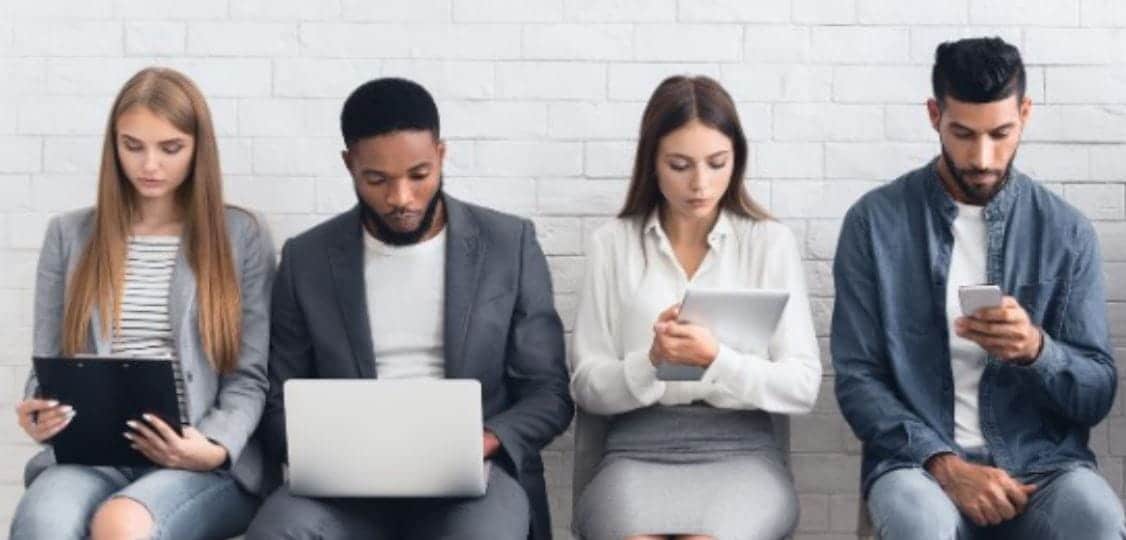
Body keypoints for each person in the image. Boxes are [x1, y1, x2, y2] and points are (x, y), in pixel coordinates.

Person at [245, 77, 573, 540]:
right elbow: (276, 397)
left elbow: (549, 393)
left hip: (472, 483)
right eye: (377, 179)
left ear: (441, 155)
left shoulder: (508, 245)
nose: (401, 198)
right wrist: (329, 452)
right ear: (349, 165)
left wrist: (483, 441)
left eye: (419, 175)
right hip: (345, 485)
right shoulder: (308, 259)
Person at [832, 37, 1125, 539]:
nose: (983, 158)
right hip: (922, 468)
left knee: (1098, 521)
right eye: (963, 134)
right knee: (917, 524)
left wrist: (1036, 350)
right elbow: (859, 380)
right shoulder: (874, 224)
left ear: (1025, 114)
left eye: (1001, 133)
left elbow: (1096, 394)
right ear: (934, 115)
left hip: (1043, 468)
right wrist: (947, 466)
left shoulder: (1066, 232)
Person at [9, 67, 275, 540]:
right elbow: (48, 364)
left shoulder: (242, 237)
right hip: (94, 455)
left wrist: (212, 447)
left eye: (170, 148)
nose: (149, 165)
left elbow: (250, 377)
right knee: (40, 523)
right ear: (114, 146)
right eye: (132, 146)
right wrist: (41, 412)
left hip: (197, 462)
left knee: (121, 525)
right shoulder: (69, 235)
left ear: (198, 149)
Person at [569, 75, 821, 540]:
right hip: (635, 451)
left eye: (717, 163)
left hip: (742, 454)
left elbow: (802, 386)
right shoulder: (612, 245)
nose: (700, 184)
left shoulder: (769, 243)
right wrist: (650, 363)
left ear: (736, 161)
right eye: (680, 165)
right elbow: (586, 386)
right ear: (652, 163)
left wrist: (716, 361)